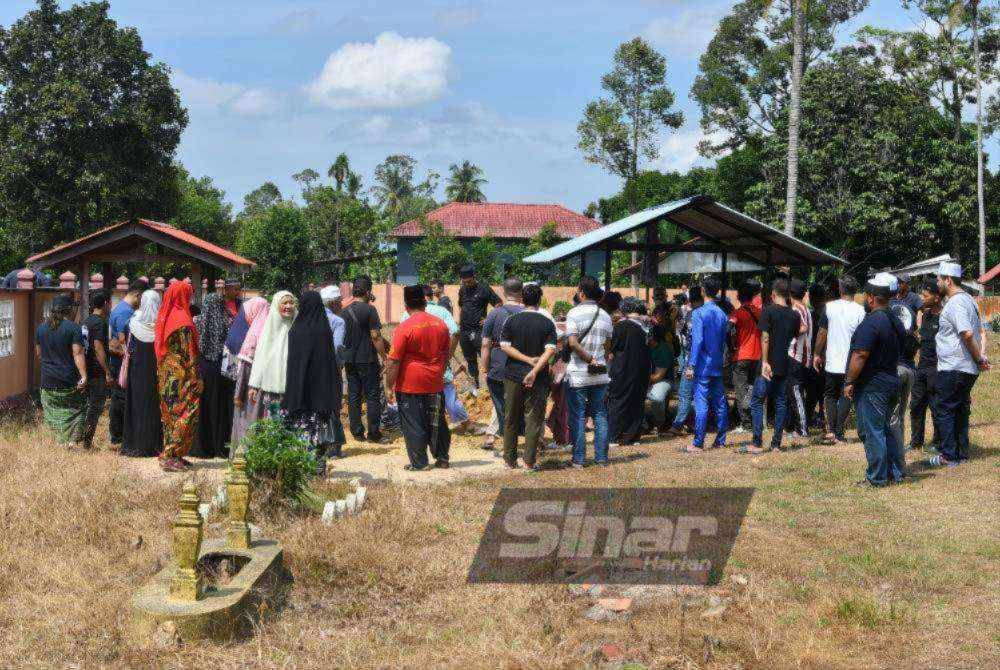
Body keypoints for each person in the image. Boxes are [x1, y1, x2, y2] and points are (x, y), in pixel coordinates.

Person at [844, 273, 907, 487]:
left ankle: (877, 477)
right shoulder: (895, 320)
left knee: (873, 431)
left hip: (873, 385)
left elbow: (860, 354)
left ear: (871, 297)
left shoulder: (872, 322)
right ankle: (895, 473)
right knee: (888, 430)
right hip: (891, 380)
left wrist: (849, 381)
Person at [385, 285, 452, 471]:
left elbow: (393, 362)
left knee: (413, 423)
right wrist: (438, 370)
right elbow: (446, 353)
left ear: (406, 305)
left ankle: (420, 463)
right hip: (435, 382)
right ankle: (442, 458)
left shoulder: (404, 328)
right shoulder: (441, 324)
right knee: (437, 421)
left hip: (410, 385)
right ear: (425, 302)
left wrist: (389, 386)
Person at [930, 262, 990, 467]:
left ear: (948, 280)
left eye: (939, 278)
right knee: (960, 409)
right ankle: (960, 453)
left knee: (944, 409)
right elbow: (981, 332)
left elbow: (967, 333)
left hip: (955, 366)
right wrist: (979, 357)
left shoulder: (956, 303)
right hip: (965, 367)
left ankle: (948, 455)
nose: (936, 282)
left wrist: (979, 358)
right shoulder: (969, 301)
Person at [499, 282, 558, 469]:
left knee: (511, 417)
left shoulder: (511, 320)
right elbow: (550, 351)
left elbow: (505, 346)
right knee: (534, 418)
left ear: (522, 300)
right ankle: (529, 461)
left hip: (513, 375)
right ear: (540, 300)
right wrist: (534, 369)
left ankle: (509, 460)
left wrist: (525, 360)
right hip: (539, 377)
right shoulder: (547, 322)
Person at [283, 291, 341, 477]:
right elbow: (330, 366)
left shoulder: (296, 330)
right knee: (320, 433)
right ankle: (318, 468)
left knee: (302, 433)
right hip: (321, 397)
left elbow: (293, 366)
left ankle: (302, 468)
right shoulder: (323, 330)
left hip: (299, 395)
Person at [401, 285, 472, 432]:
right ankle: (465, 423)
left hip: (415, 369)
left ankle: (422, 427)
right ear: (430, 297)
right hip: (438, 364)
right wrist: (447, 356)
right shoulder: (442, 311)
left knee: (419, 399)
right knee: (448, 394)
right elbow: (456, 332)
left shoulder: (407, 314)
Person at [745, 278, 801, 454]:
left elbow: (765, 337)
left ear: (773, 294)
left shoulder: (768, 311)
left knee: (757, 401)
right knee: (781, 403)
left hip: (768, 365)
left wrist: (764, 361)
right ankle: (776, 444)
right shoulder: (794, 316)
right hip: (784, 363)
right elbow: (794, 336)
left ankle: (757, 442)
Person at [564, 275, 614, 467]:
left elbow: (572, 342)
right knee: (600, 414)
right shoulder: (606, 316)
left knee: (578, 416)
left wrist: (587, 358)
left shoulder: (573, 314)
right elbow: (608, 347)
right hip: (600, 374)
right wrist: (596, 359)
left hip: (578, 374)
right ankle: (601, 458)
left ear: (582, 293)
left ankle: (579, 459)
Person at [154, 281, 203, 472]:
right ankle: (169, 454)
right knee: (187, 413)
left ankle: (175, 454)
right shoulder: (183, 320)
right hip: (182, 378)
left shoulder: (166, 317)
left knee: (170, 416)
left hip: (167, 377)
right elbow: (189, 354)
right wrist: (197, 378)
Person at [813, 276, 866, 444]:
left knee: (830, 395)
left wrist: (816, 354)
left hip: (832, 361)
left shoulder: (829, 307)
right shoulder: (860, 311)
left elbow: (822, 332)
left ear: (840, 289)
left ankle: (831, 430)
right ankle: (838, 432)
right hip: (851, 362)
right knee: (846, 395)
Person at [341, 276, 389, 443]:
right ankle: (374, 433)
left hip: (350, 360)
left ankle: (357, 432)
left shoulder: (344, 311)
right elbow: (376, 336)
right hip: (368, 360)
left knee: (354, 395)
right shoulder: (370, 310)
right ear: (368, 291)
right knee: (372, 396)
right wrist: (384, 357)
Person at [480, 278, 525, 453]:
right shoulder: (529, 312)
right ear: (521, 292)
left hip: (498, 366)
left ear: (504, 292)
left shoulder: (494, 314)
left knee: (501, 408)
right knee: (523, 405)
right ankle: (532, 440)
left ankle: (509, 447)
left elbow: (485, 344)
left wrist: (484, 368)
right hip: (524, 367)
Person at [36, 294, 88, 447]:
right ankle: (71, 441)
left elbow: (39, 354)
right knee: (77, 410)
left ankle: (57, 443)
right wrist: (84, 376)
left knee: (52, 413)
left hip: (47, 382)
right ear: (69, 309)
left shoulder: (41, 329)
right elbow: (77, 353)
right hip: (68, 381)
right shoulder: (73, 328)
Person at [684, 277, 729, 452]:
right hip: (717, 364)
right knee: (720, 402)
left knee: (701, 403)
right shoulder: (722, 314)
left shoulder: (698, 313)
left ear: (703, 291)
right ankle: (720, 440)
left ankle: (698, 442)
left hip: (702, 365)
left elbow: (697, 341)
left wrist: (691, 365)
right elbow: (723, 341)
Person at [246, 291, 299, 432]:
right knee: (274, 424)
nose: (288, 306)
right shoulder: (268, 329)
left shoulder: (299, 327)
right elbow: (260, 358)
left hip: (293, 388)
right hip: (272, 388)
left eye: (291, 302)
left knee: (292, 424)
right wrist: (254, 385)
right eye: (285, 303)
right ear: (277, 305)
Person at [192, 293, 236, 458]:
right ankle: (220, 446)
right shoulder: (227, 321)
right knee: (220, 405)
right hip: (222, 368)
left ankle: (202, 446)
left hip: (203, 367)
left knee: (203, 404)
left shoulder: (197, 321)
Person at [121, 289, 164, 457]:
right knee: (154, 407)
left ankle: (134, 444)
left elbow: (127, 347)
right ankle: (154, 444)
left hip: (137, 371)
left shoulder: (132, 323)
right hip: (156, 372)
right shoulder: (162, 325)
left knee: (137, 406)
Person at [224, 296, 269, 453]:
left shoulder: (252, 335)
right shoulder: (264, 332)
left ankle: (243, 456)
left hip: (247, 388)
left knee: (246, 421)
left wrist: (238, 392)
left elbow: (243, 366)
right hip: (260, 390)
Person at [608, 297, 652, 447]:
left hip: (623, 368)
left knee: (618, 401)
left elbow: (614, 347)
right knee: (637, 401)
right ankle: (632, 436)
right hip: (642, 368)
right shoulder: (647, 325)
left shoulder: (622, 326)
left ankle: (614, 436)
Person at [107, 279, 147, 445]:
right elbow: (121, 343)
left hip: (120, 364)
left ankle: (119, 435)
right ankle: (118, 436)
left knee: (120, 399)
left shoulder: (122, 309)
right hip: (121, 365)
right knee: (121, 400)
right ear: (137, 295)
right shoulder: (125, 313)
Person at [908, 280, 942, 452]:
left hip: (936, 368)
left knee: (936, 406)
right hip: (921, 367)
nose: (922, 298)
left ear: (936, 297)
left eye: (926, 296)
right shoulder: (925, 315)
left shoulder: (944, 317)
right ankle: (916, 442)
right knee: (916, 405)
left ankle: (938, 442)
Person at [666, 286, 703, 436]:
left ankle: (678, 424)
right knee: (700, 394)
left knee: (685, 393)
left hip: (692, 360)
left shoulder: (693, 315)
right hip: (703, 360)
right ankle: (695, 423)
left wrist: (691, 364)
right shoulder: (703, 314)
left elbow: (693, 341)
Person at [458, 265, 501, 393]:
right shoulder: (463, 290)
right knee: (470, 359)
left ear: (474, 277)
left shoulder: (484, 289)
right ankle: (475, 387)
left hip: (479, 331)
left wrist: (488, 320)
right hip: (464, 331)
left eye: (469, 281)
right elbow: (461, 306)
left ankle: (492, 387)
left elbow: (499, 304)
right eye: (464, 282)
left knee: (486, 359)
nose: (467, 284)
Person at [81, 290, 114, 450]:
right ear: (106, 304)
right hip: (96, 371)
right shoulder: (100, 323)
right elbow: (98, 347)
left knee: (89, 406)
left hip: (86, 369)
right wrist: (107, 371)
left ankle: (83, 439)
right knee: (95, 407)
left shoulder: (86, 321)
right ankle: (86, 442)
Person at [729, 282, 762, 433]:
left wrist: (731, 345)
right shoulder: (759, 312)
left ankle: (747, 424)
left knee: (741, 390)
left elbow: (729, 329)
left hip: (741, 355)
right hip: (758, 356)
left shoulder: (737, 313)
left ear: (739, 297)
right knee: (752, 389)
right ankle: (756, 420)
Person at [320, 285, 348, 458]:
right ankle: (334, 445)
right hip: (331, 369)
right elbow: (338, 346)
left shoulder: (309, 318)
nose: (342, 305)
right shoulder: (338, 321)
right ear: (333, 303)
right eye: (340, 302)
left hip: (313, 370)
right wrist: (339, 367)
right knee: (333, 405)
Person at [786, 279, 813, 438]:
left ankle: (802, 429)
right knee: (795, 392)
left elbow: (803, 327)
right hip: (804, 356)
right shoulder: (806, 309)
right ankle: (794, 426)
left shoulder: (795, 309)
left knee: (795, 393)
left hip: (795, 355)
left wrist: (789, 334)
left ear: (790, 293)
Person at [646, 324, 675, 432]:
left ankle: (660, 422)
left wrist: (640, 378)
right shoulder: (644, 347)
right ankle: (642, 424)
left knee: (656, 397)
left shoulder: (663, 349)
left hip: (664, 380)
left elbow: (658, 377)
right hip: (648, 378)